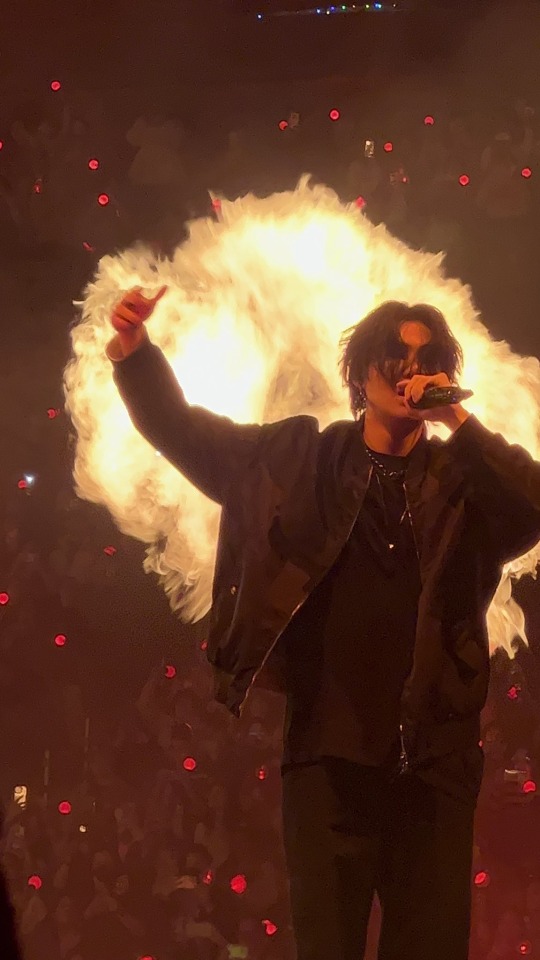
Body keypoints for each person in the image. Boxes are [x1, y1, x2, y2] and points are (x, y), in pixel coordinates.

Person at [106, 289, 540, 960]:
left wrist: (457, 416)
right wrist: (136, 355)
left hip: (434, 768)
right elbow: (187, 433)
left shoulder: (463, 483)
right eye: (394, 353)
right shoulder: (299, 459)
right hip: (327, 763)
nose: (410, 367)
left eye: (426, 357)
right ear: (360, 372)